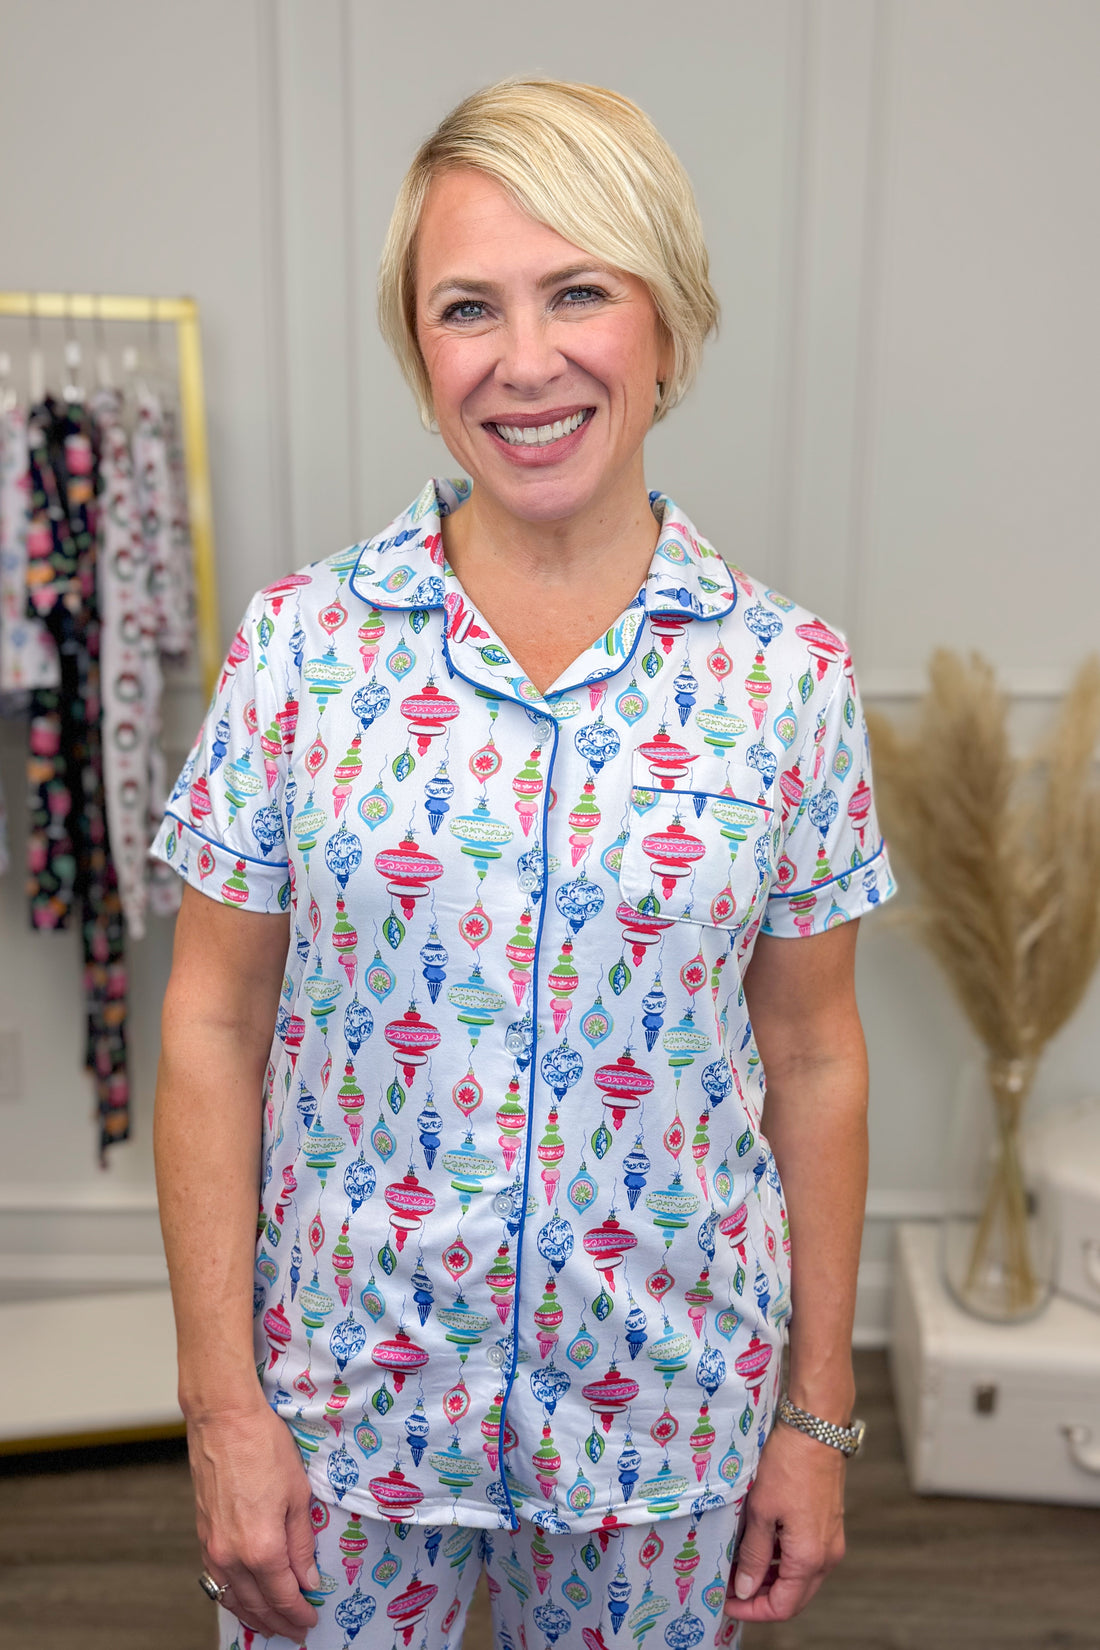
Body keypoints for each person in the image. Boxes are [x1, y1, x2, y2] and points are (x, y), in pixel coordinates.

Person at [152, 77, 895, 1650]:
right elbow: (211, 1025)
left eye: (579, 293)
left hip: (667, 1425)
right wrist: (223, 1408)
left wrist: (815, 1420)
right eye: (467, 308)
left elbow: (816, 1051)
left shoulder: (788, 679)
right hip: (342, 1421)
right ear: (420, 353)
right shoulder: (299, 652)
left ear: (668, 326)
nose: (527, 358)